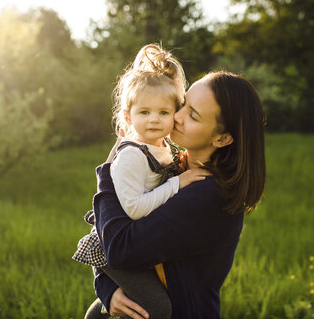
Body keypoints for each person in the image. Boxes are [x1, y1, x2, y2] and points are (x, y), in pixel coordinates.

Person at [90, 70, 266, 318]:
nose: (177, 116)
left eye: (192, 115)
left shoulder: (208, 196)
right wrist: (107, 289)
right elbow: (103, 234)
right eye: (182, 105)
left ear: (222, 138)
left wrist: (109, 174)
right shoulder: (176, 166)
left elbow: (118, 248)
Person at [73, 44, 209, 319]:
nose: (156, 118)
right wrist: (106, 286)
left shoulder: (164, 148)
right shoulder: (131, 153)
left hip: (138, 249)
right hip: (119, 247)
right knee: (155, 309)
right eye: (146, 111)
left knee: (135, 305)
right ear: (130, 113)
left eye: (167, 109)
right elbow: (116, 217)